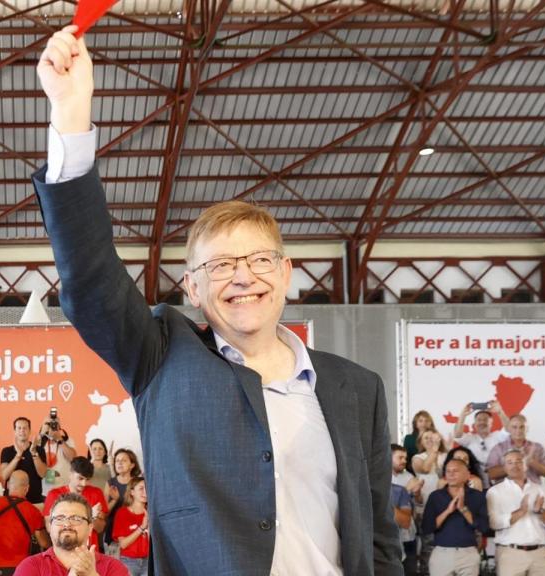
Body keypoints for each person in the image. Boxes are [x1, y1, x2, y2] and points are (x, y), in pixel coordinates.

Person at [33, 25, 401, 575]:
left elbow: (377, 539)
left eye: (258, 261)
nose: (242, 278)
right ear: (193, 288)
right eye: (220, 266)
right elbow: (89, 280)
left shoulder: (357, 389)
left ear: (286, 273)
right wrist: (70, 111)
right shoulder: (161, 357)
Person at [15, 493, 128, 576]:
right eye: (60, 518)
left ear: (90, 528)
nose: (67, 524)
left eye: (76, 518)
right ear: (50, 527)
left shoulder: (113, 567)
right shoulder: (30, 566)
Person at [487, 449, 545, 576]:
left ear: (526, 466)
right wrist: (520, 512)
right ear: (504, 468)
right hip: (510, 554)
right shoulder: (494, 492)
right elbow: (494, 523)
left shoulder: (540, 490)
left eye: (519, 461)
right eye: (509, 462)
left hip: (540, 553)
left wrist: (539, 512)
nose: (515, 465)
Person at [420, 459, 489, 576]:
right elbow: (427, 527)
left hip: (468, 552)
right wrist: (447, 511)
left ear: (467, 475)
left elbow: (484, 527)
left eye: (455, 471)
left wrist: (463, 509)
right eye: (448, 471)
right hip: (441, 553)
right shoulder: (436, 496)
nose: (451, 474)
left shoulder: (478, 496)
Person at [0, 471, 49, 576]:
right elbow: (44, 543)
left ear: (8, 485)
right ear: (27, 488)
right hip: (19, 568)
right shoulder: (32, 511)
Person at [43, 458, 108, 548]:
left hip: (89, 551)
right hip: (63, 549)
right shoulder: (54, 494)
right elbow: (49, 528)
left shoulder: (96, 493)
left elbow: (100, 529)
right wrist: (90, 515)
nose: (84, 483)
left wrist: (93, 518)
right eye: (80, 478)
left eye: (87, 479)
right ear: (70, 474)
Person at [452, 401, 510, 482]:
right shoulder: (470, 439)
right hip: (474, 480)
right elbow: (457, 435)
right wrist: (463, 415)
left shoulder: (498, 436)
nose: (482, 422)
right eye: (479, 420)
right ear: (474, 424)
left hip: (498, 480)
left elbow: (509, 430)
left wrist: (500, 412)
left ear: (491, 423)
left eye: (485, 420)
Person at [486, 415, 545, 485]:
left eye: (522, 427)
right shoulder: (498, 448)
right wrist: (513, 466)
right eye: (514, 427)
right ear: (509, 429)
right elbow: (491, 474)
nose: (518, 430)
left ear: (527, 428)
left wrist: (530, 461)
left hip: (532, 490)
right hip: (505, 492)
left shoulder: (537, 447)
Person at [0, 417, 47, 505]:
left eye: (25, 428)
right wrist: (18, 455)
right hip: (11, 501)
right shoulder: (7, 451)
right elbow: (4, 476)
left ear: (29, 431)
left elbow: (43, 474)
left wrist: (34, 453)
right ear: (15, 431)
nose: (22, 430)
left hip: (34, 500)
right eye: (19, 428)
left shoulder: (39, 450)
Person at [391, 444, 422, 576]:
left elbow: (419, 502)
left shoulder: (409, 476)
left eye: (405, 458)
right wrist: (407, 490)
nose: (404, 461)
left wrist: (416, 493)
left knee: (410, 569)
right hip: (390, 534)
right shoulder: (379, 478)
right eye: (400, 457)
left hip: (407, 532)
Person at [111, 477, 150, 576]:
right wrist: (142, 527)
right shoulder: (122, 513)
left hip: (148, 560)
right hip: (129, 561)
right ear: (132, 492)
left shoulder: (151, 512)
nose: (145, 492)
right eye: (141, 488)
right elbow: (123, 544)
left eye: (147, 488)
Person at [38, 413, 76, 495]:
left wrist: (59, 439)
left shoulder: (67, 440)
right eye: (48, 424)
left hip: (65, 488)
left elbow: (73, 458)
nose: (51, 426)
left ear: (59, 426)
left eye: (54, 424)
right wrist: (41, 434)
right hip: (45, 491)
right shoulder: (39, 442)